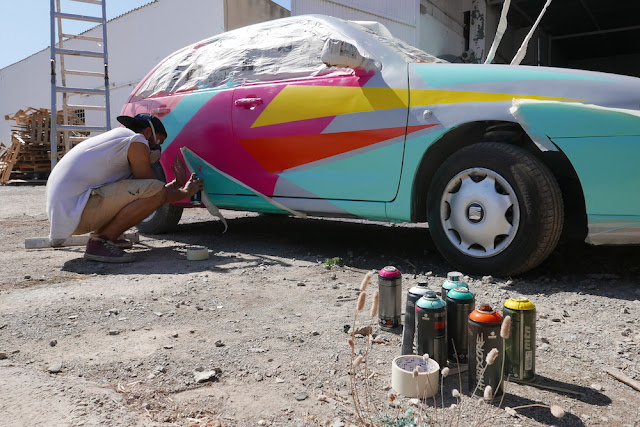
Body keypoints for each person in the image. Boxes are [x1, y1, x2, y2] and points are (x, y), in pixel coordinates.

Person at [46, 113, 203, 263]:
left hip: (70, 214)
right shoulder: (137, 140)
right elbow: (155, 191)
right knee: (153, 188)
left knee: (151, 189)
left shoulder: (120, 140)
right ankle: (101, 242)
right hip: (77, 212)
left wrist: (176, 185)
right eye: (159, 141)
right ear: (148, 133)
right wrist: (186, 192)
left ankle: (105, 236)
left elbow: (145, 194)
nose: (158, 148)